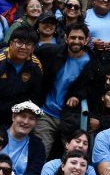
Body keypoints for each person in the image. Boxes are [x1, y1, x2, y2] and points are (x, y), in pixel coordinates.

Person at [33, 22, 101, 156]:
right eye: (73, 37)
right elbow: (27, 50)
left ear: (87, 40)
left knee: (73, 159)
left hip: (72, 117)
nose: (76, 41)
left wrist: (78, 95)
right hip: (45, 113)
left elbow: (95, 93)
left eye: (80, 38)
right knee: (38, 155)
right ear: (66, 38)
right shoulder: (51, 52)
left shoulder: (94, 65)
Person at [0, 101, 46, 175]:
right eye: (23, 116)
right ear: (14, 117)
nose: (26, 121)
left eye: (31, 118)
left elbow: (34, 174)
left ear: (35, 123)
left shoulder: (37, 145)